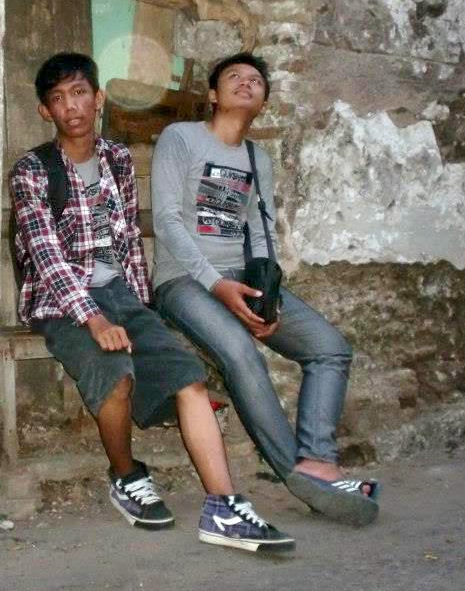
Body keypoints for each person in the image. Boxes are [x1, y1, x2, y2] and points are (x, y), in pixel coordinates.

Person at [9, 52, 293, 552]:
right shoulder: (32, 170)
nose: (71, 106)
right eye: (57, 98)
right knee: (116, 375)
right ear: (44, 111)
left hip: (121, 295)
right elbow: (46, 257)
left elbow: (126, 240)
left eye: (79, 93)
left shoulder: (117, 159)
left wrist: (144, 310)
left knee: (188, 377)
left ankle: (224, 507)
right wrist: (94, 319)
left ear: (98, 99)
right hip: (61, 302)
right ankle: (125, 475)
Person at [151, 52, 380, 526]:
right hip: (184, 281)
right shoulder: (181, 138)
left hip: (242, 278)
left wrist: (267, 297)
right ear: (213, 95)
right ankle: (298, 474)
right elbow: (167, 221)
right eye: (234, 76)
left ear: (264, 102)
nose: (246, 83)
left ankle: (317, 460)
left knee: (329, 348)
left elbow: (260, 230)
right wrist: (217, 285)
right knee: (241, 352)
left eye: (256, 80)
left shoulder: (258, 158)